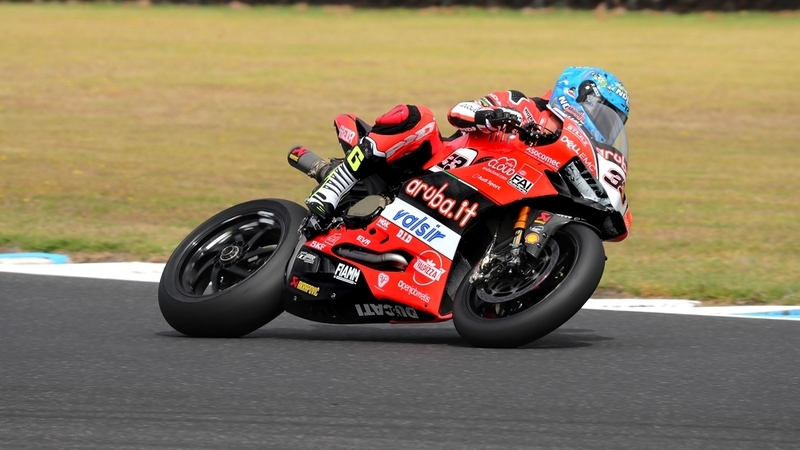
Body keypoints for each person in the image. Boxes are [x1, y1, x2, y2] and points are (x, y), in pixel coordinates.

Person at [296, 66, 630, 220]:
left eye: (612, 123)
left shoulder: (577, 148)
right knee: (417, 117)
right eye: (602, 115)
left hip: (483, 199)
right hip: (436, 167)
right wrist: (495, 116)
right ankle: (333, 187)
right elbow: (460, 111)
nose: (604, 127)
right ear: (574, 95)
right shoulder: (523, 103)